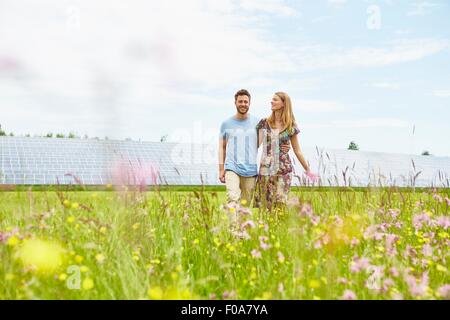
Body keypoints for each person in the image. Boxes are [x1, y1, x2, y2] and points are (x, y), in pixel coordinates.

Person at [219, 89, 290, 206]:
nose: (243, 104)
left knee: (245, 204)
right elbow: (222, 147)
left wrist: (285, 146)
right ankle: (233, 225)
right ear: (235, 103)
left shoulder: (259, 123)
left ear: (249, 103)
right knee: (232, 198)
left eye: (245, 102)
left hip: (250, 170)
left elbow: (272, 139)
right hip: (231, 167)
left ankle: (241, 224)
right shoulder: (226, 123)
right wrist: (221, 169)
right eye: (240, 101)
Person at [254, 91, 318, 209]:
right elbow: (256, 145)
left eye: (275, 100)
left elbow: (297, 150)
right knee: (265, 206)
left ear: (283, 104)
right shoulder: (264, 123)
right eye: (272, 99)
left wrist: (308, 170)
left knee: (281, 204)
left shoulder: (291, 126)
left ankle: (281, 226)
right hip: (266, 169)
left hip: (284, 170)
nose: (271, 101)